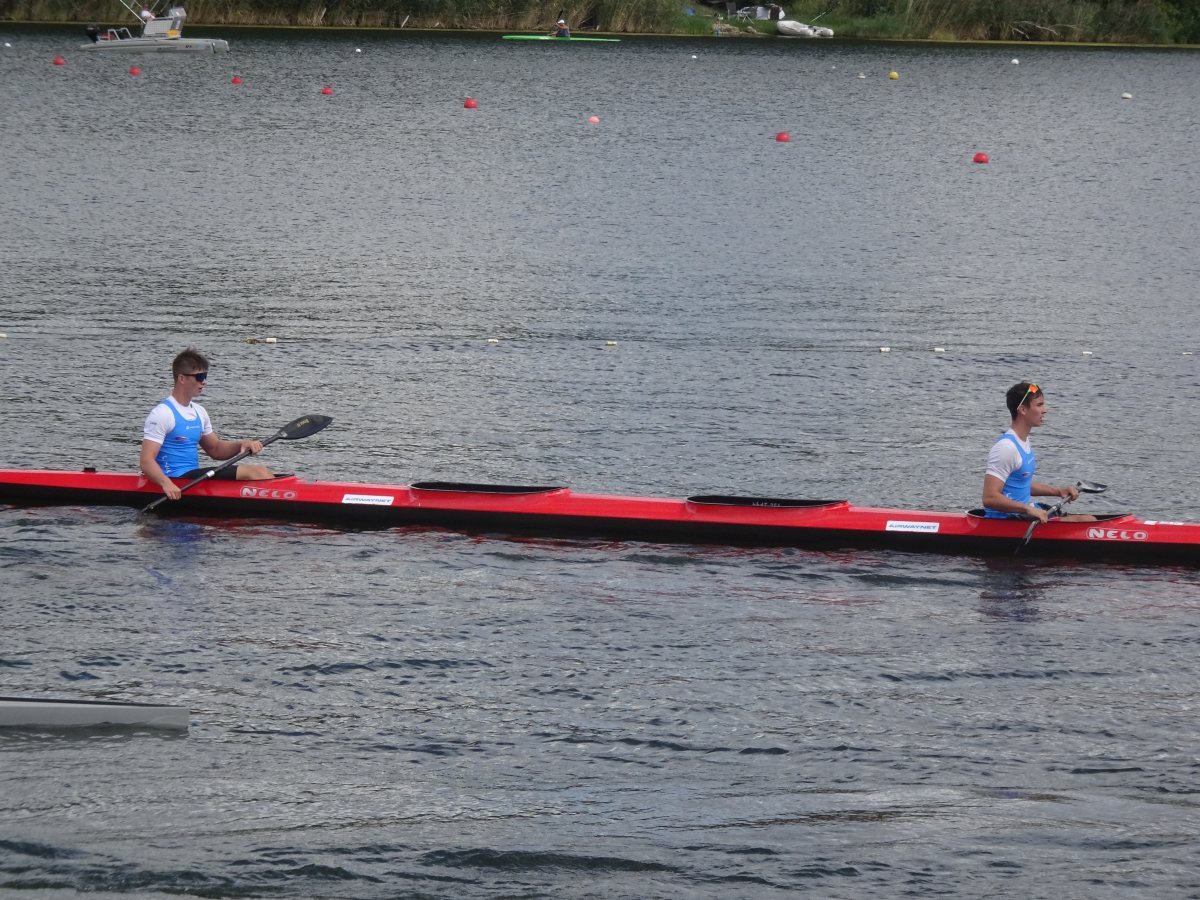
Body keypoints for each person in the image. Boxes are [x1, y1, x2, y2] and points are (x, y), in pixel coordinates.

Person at [140, 349, 273, 500]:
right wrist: (166, 483)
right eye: (200, 377)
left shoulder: (199, 412)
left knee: (263, 473)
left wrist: (242, 444)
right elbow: (146, 461)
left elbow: (215, 449)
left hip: (192, 479)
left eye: (205, 376)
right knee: (256, 473)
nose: (204, 382)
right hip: (173, 480)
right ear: (182, 378)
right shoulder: (162, 413)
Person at [982, 381, 1095, 523]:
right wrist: (1027, 509)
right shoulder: (1006, 448)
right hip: (1006, 520)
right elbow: (989, 498)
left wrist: (1059, 491)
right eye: (1039, 405)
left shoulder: (1022, 442)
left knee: (1089, 519)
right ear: (1023, 410)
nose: (1044, 410)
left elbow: (1021, 484)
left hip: (1022, 515)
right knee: (1088, 521)